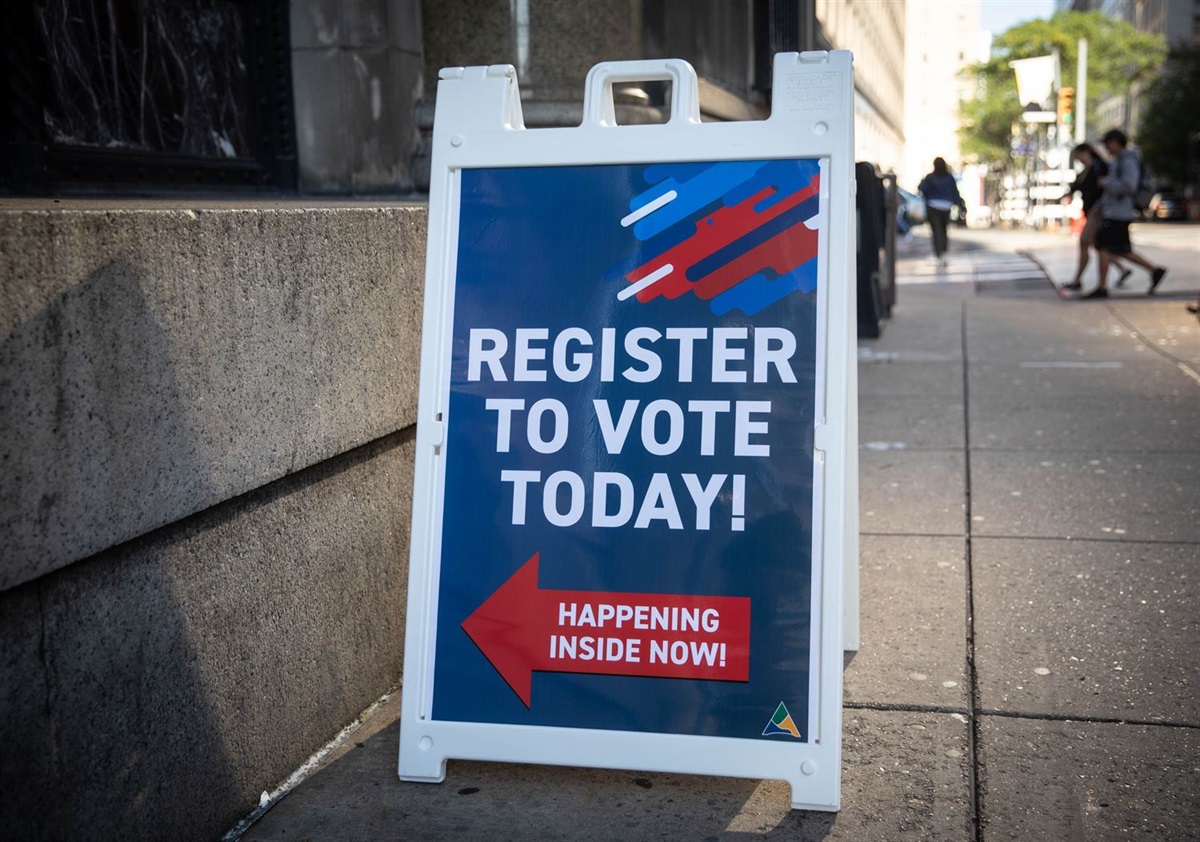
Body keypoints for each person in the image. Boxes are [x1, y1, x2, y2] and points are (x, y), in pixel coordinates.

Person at [1085, 129, 1168, 299]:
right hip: (1114, 211)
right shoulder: (1120, 160)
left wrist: (1106, 182)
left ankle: (1102, 287)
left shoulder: (1128, 161)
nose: (1106, 148)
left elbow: (1129, 185)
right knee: (1120, 249)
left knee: (1103, 246)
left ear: (1115, 142)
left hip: (1119, 213)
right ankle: (1154, 270)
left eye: (1107, 144)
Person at [1060, 143, 1130, 291]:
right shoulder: (1085, 170)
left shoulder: (1100, 167)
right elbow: (1077, 186)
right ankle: (1125, 270)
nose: (1078, 159)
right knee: (1100, 247)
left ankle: (1086, 282)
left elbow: (1110, 186)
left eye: (1078, 155)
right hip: (1092, 212)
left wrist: (1101, 206)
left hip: (1098, 212)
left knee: (1094, 244)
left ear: (1086, 152)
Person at [918, 157, 965, 268]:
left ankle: (938, 253)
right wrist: (960, 205)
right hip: (946, 206)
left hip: (932, 206)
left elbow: (921, 189)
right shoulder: (949, 177)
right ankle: (943, 252)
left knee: (936, 231)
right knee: (943, 230)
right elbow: (955, 192)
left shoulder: (930, 177)